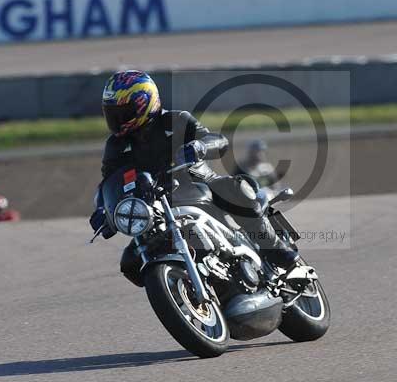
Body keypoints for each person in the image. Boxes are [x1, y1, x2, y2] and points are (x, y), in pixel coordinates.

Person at [89, 70, 298, 286]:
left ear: (144, 103)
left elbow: (217, 140)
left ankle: (274, 250)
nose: (116, 119)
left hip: (200, 185)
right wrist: (103, 209)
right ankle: (186, 286)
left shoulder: (175, 120)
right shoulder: (115, 146)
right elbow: (108, 182)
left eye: (123, 112)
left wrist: (199, 145)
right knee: (130, 263)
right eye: (112, 113)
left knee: (238, 189)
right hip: (158, 206)